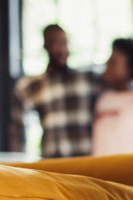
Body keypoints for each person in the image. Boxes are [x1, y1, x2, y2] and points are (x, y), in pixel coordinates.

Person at [10, 24, 102, 158]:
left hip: (86, 161)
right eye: (55, 43)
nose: (62, 49)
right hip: (53, 161)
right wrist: (17, 164)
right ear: (45, 46)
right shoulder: (31, 86)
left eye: (64, 42)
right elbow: (17, 129)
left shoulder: (88, 80)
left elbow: (122, 83)